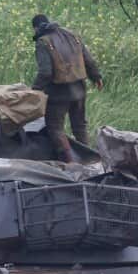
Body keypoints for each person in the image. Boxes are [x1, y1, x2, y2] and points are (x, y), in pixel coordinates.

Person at [31, 14, 103, 163]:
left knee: (55, 128)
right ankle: (89, 162)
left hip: (58, 94)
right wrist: (96, 77)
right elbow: (88, 59)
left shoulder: (43, 42)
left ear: (36, 28)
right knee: (80, 126)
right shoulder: (71, 35)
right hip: (79, 90)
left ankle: (69, 164)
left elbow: (45, 72)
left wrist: (34, 90)